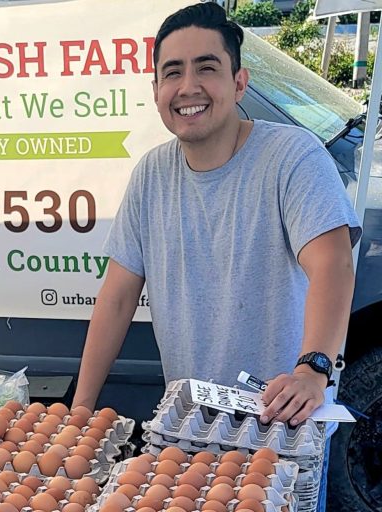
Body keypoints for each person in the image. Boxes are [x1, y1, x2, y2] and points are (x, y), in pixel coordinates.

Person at [72, 3, 361, 511]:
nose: (189, 86)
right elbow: (116, 299)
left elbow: (332, 262)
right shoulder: (150, 176)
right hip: (191, 432)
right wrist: (79, 411)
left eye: (207, 67)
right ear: (157, 91)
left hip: (281, 430)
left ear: (239, 82)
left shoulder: (292, 156)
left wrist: (313, 368)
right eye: (172, 72)